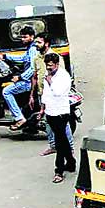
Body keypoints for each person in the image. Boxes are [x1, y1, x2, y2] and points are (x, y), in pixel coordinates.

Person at [33, 33, 73, 157]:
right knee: (48, 124)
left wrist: (50, 82)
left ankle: (69, 149)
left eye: (39, 42)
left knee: (63, 127)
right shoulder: (36, 58)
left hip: (58, 100)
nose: (36, 45)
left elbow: (59, 83)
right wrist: (33, 96)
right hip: (44, 95)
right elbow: (35, 75)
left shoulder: (56, 58)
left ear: (46, 43)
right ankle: (53, 146)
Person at [43, 53, 75, 183]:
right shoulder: (48, 75)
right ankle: (71, 162)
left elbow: (58, 92)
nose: (48, 68)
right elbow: (46, 93)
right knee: (62, 139)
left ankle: (59, 170)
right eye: (47, 66)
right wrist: (42, 109)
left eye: (51, 66)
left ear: (57, 64)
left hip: (61, 112)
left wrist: (51, 82)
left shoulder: (63, 76)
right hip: (50, 111)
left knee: (59, 141)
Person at [2, 26, 38, 130]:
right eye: (22, 37)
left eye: (25, 37)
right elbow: (23, 58)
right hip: (28, 80)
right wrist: (5, 56)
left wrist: (20, 77)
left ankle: (19, 118)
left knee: (6, 91)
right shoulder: (30, 48)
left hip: (29, 82)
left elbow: (32, 68)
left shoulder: (33, 49)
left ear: (32, 37)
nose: (23, 39)